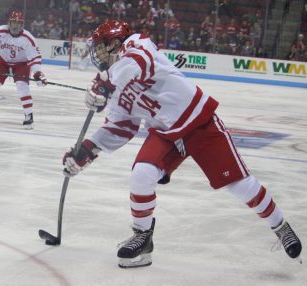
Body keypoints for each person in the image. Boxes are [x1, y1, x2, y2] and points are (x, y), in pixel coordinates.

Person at [62, 20, 302, 268]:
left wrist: (106, 82)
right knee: (141, 174)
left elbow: (138, 61)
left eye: (101, 47)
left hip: (199, 121)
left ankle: (280, 226)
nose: (97, 53)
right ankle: (143, 239)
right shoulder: (115, 86)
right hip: (166, 133)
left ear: (115, 44)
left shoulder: (136, 45)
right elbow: (120, 127)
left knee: (240, 185)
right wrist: (87, 151)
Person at [0, 11, 47, 129]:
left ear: (22, 25)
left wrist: (37, 73)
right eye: (14, 22)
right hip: (3, 62)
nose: (16, 26)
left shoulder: (27, 38)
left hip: (21, 64)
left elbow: (35, 57)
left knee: (22, 86)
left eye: (19, 23)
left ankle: (28, 115)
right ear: (9, 22)